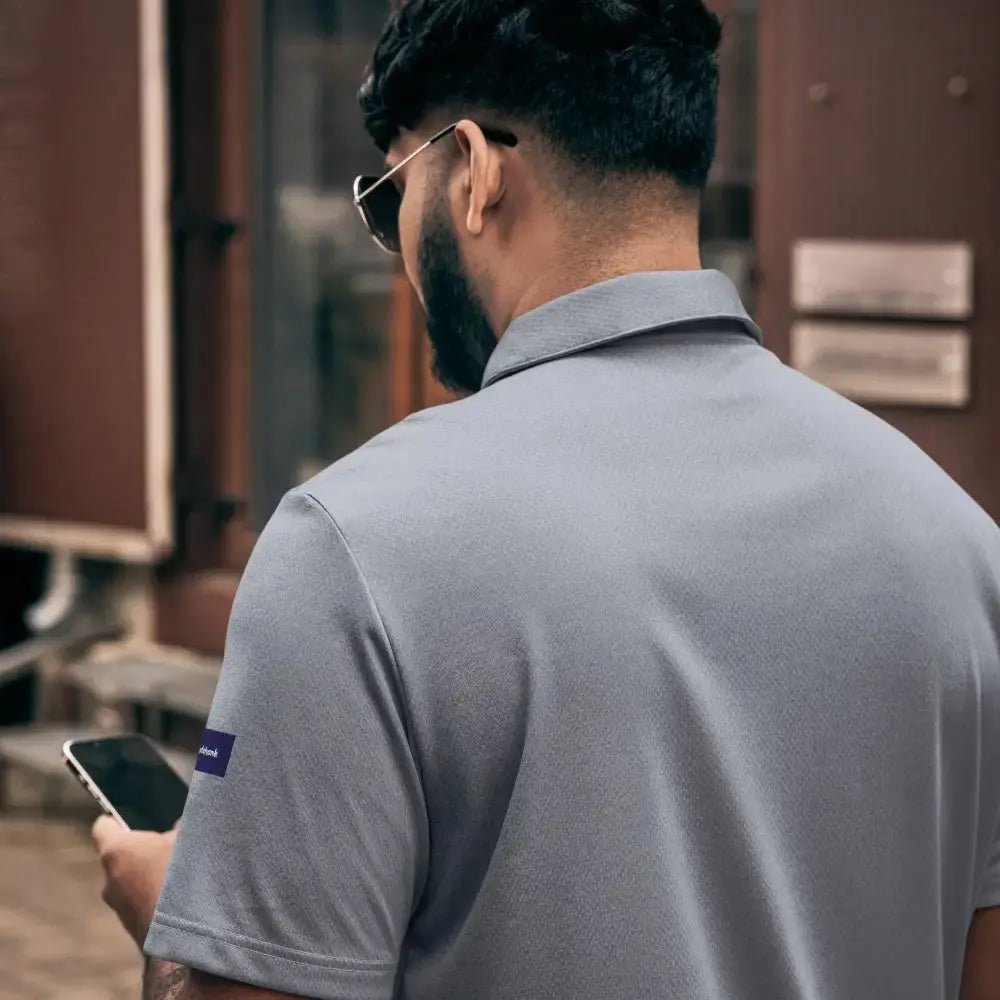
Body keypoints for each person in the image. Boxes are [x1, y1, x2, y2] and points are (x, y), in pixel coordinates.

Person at [92, 1, 1000, 997]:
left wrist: (181, 937)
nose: (393, 239)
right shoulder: (955, 541)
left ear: (474, 172)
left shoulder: (356, 545)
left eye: (388, 193)